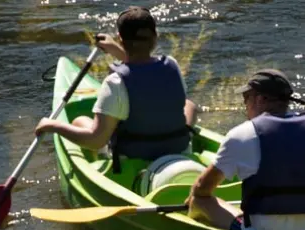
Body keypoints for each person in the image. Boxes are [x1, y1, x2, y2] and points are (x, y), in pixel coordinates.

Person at [185, 69, 305, 230]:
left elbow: (202, 187)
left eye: (246, 98)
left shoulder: (242, 134)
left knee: (199, 200)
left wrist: (191, 200)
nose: (245, 105)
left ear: (260, 99)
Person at [34, 6, 199, 160]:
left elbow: (96, 140)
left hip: (133, 156)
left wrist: (53, 126)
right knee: (189, 105)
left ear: (120, 39)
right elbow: (144, 74)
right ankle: (187, 135)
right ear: (155, 36)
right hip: (178, 149)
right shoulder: (172, 65)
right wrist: (116, 50)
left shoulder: (115, 83)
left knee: (80, 121)